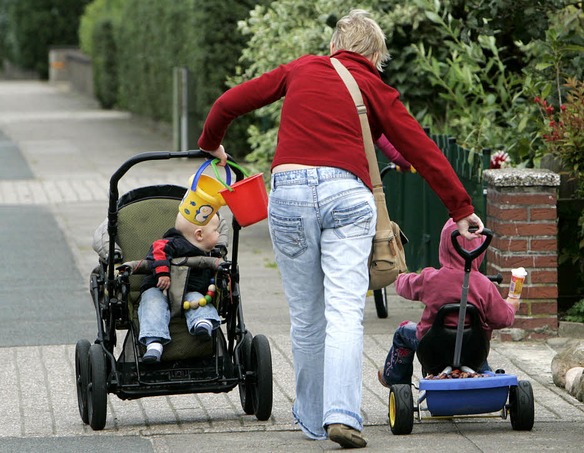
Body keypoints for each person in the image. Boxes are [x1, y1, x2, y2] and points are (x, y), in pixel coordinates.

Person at [197, 9, 484, 449]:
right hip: (347, 197)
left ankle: (312, 421)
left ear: (335, 45)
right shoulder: (374, 85)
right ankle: (343, 414)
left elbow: (226, 104)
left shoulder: (301, 67)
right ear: (375, 58)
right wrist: (461, 208)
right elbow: (419, 146)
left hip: (290, 193)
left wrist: (210, 142)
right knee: (345, 311)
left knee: (307, 319)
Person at [378, 219, 521, 387]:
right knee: (477, 339)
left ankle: (396, 380)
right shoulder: (485, 285)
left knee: (403, 332)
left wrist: (400, 276)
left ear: (445, 245)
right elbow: (502, 319)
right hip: (473, 352)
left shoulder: (431, 279)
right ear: (480, 249)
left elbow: (405, 286)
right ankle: (482, 378)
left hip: (433, 349)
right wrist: (511, 305)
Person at [138, 211, 223, 364]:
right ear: (199, 235)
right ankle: (154, 344)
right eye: (216, 231)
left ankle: (202, 323)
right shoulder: (175, 243)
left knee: (198, 299)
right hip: (158, 288)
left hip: (189, 291)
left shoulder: (210, 253)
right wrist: (162, 272)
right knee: (152, 306)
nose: (219, 235)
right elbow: (158, 249)